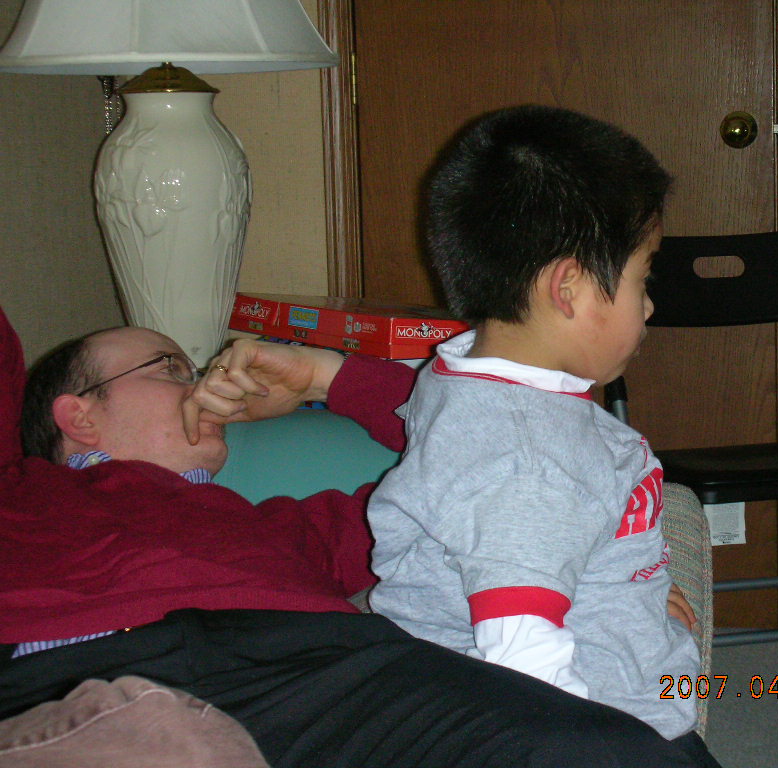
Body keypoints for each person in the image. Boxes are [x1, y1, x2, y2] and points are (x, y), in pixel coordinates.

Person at [0, 308, 709, 768]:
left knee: (610, 747)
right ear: (78, 416)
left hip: (317, 670)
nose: (201, 382)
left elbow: (478, 452)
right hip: (63, 673)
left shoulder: (282, 529)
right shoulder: (20, 493)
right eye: (169, 369)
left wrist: (323, 377)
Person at [366, 105, 720, 768]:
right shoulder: (530, 466)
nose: (648, 304)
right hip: (602, 730)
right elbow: (523, 666)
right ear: (570, 288)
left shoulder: (465, 369)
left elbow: (504, 528)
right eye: (643, 278)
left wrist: (621, 586)